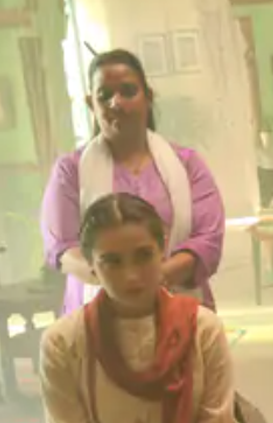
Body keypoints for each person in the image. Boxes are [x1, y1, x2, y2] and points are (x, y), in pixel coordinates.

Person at [40, 193, 266, 423]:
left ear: (163, 250)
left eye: (143, 256)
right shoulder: (64, 343)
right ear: (91, 266)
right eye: (112, 262)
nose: (131, 276)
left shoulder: (202, 329)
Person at [41, 48, 224, 315]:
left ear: (148, 97)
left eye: (127, 91)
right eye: (104, 95)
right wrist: (114, 282)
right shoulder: (70, 171)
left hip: (180, 307)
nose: (116, 102)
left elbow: (208, 240)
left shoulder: (187, 164)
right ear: (91, 104)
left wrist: (155, 279)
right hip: (97, 313)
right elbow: (61, 248)